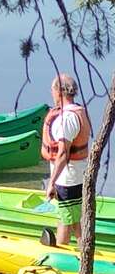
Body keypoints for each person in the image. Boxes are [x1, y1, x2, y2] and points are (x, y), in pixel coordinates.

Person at [42, 73, 90, 245]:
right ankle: (84, 256)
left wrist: (51, 182)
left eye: (53, 89)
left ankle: (60, 261)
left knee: (66, 220)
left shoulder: (67, 118)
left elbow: (63, 154)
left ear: (60, 91)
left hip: (68, 178)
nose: (51, 93)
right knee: (75, 220)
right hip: (76, 175)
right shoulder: (77, 111)